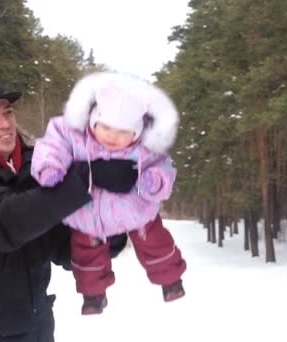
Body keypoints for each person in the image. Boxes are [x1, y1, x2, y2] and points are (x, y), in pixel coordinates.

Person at [0, 76, 136, 342]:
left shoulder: (31, 170)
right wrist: (81, 181)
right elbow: (4, 223)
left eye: (8, 112)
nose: (4, 124)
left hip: (32, 330)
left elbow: (64, 245)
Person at [30, 71, 187, 315]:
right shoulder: (73, 133)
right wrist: (50, 168)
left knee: (155, 242)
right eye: (106, 128)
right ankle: (93, 295)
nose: (113, 136)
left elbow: (163, 167)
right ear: (93, 119)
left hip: (134, 209)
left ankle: (171, 280)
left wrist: (152, 181)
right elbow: (51, 147)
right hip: (87, 211)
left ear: (137, 131)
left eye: (124, 132)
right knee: (86, 253)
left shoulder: (147, 146)